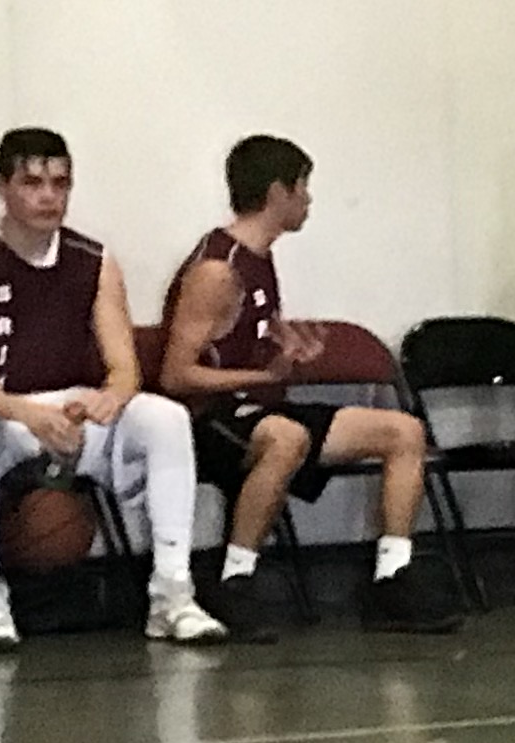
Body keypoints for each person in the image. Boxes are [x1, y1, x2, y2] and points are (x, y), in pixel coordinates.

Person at [159, 134, 454, 634]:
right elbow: (176, 375)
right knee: (285, 436)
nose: (309, 199)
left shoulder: (260, 257)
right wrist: (264, 376)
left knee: (404, 431)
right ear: (279, 192)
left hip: (259, 409)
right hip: (209, 420)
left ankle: (391, 577)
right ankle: (234, 580)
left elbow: (243, 347)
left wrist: (287, 354)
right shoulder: (217, 269)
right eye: (304, 187)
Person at [0, 130, 226, 647]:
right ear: (2, 187)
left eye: (60, 184)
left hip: (74, 408)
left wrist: (111, 398)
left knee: (165, 417)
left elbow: (124, 368)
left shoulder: (95, 260)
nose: (48, 196)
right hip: (0, 410)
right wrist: (24, 413)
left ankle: (172, 592)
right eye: (33, 183)